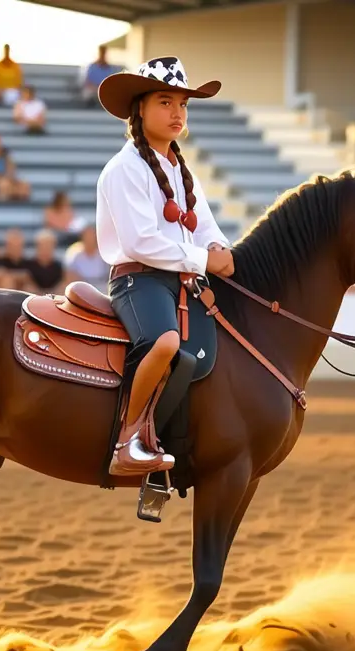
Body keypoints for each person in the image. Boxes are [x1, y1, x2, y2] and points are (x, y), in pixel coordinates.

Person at [95, 56, 233, 482]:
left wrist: (220, 248)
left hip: (180, 279)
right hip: (138, 279)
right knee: (164, 341)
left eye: (183, 105)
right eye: (165, 102)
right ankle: (128, 440)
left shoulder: (180, 169)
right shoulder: (124, 169)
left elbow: (205, 224)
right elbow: (140, 242)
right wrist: (202, 259)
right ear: (140, 109)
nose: (177, 113)